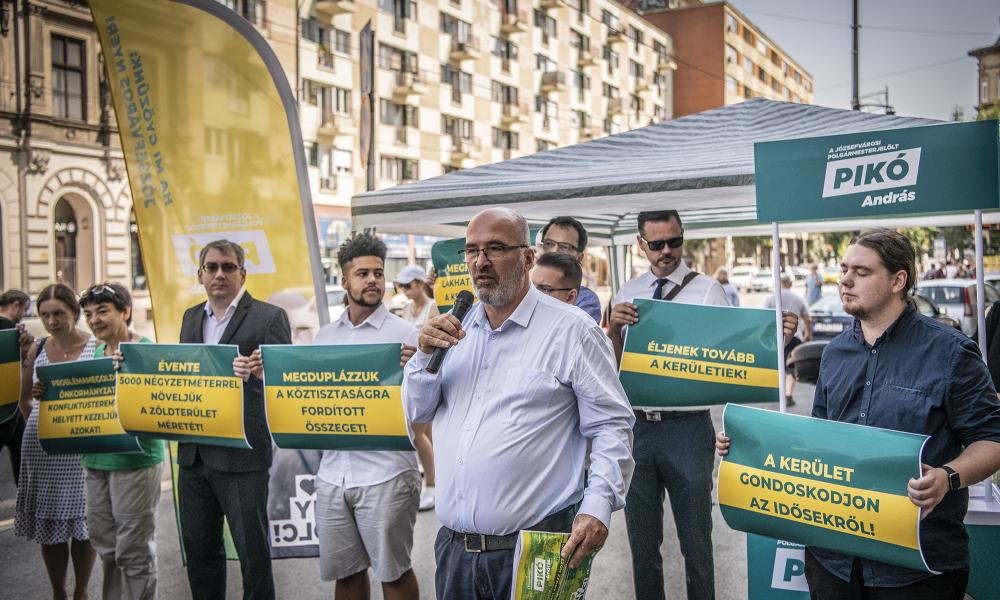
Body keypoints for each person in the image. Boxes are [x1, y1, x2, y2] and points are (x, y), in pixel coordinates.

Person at [719, 228, 1000, 599]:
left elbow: (992, 438)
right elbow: (816, 443)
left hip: (917, 568)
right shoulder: (834, 353)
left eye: (862, 272)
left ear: (898, 280)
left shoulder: (951, 352)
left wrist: (947, 477)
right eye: (844, 269)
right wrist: (745, 446)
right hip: (833, 562)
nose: (845, 280)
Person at [404, 207, 635, 600]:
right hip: (455, 551)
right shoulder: (453, 329)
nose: (480, 261)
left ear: (528, 257)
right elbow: (417, 411)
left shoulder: (572, 331)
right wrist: (424, 357)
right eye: (472, 250)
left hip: (535, 552)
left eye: (495, 248)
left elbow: (611, 426)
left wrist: (597, 506)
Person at [607, 210, 797, 600]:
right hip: (638, 429)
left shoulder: (709, 289)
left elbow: (735, 355)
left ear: (683, 238)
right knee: (642, 545)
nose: (666, 251)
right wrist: (613, 331)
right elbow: (614, 369)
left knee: (697, 544)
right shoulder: (627, 290)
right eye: (657, 244)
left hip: (689, 430)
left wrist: (776, 337)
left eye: (674, 241)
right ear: (640, 244)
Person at [257, 234, 421, 600]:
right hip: (332, 474)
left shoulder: (406, 335)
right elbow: (308, 396)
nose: (373, 280)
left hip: (387, 474)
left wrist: (417, 370)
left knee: (394, 574)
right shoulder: (326, 336)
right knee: (345, 576)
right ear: (344, 280)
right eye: (362, 274)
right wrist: (265, 373)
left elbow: (423, 407)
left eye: (378, 273)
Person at [173, 239, 291, 600]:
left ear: (243, 273)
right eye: (211, 267)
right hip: (194, 456)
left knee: (252, 555)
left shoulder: (269, 317)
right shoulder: (190, 317)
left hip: (242, 458)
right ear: (200, 275)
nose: (219, 274)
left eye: (228, 267)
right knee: (200, 554)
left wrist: (259, 375)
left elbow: (285, 384)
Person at [79, 283, 164, 600]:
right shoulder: (96, 352)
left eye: (102, 311)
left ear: (125, 311)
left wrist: (131, 371)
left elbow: (161, 403)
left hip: (135, 461)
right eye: (89, 314)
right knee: (107, 547)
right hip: (96, 460)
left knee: (134, 549)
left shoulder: (146, 349)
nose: (94, 320)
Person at [15, 283, 97, 600]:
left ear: (74, 313)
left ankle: (81, 591)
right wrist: (41, 423)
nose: (52, 321)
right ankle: (58, 592)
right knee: (50, 527)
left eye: (59, 313)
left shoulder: (95, 346)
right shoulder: (37, 349)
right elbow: (24, 400)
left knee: (84, 525)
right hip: (44, 450)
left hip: (82, 449)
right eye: (45, 315)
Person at [392, 264, 439, 511]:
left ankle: (431, 486)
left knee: (417, 433)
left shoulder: (433, 307)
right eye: (401, 286)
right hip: (409, 376)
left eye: (408, 285)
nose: (404, 290)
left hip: (429, 374)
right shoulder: (406, 309)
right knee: (425, 433)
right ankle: (436, 480)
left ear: (421, 283)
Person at [538, 216, 602, 322]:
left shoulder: (585, 300)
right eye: (549, 243)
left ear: (579, 258)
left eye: (565, 246)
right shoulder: (524, 287)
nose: (554, 251)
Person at [764, 273, 812, 407]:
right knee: (791, 366)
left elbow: (764, 318)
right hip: (795, 337)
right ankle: (788, 394)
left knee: (778, 365)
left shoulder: (770, 298)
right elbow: (807, 318)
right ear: (790, 284)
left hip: (775, 338)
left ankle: (778, 393)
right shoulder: (798, 298)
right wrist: (808, 333)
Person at [0, 289, 30, 485]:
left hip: (8, 402)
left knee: (20, 444)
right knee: (20, 449)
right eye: (24, 309)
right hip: (9, 400)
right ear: (15, 305)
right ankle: (24, 490)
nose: (24, 314)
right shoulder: (11, 330)